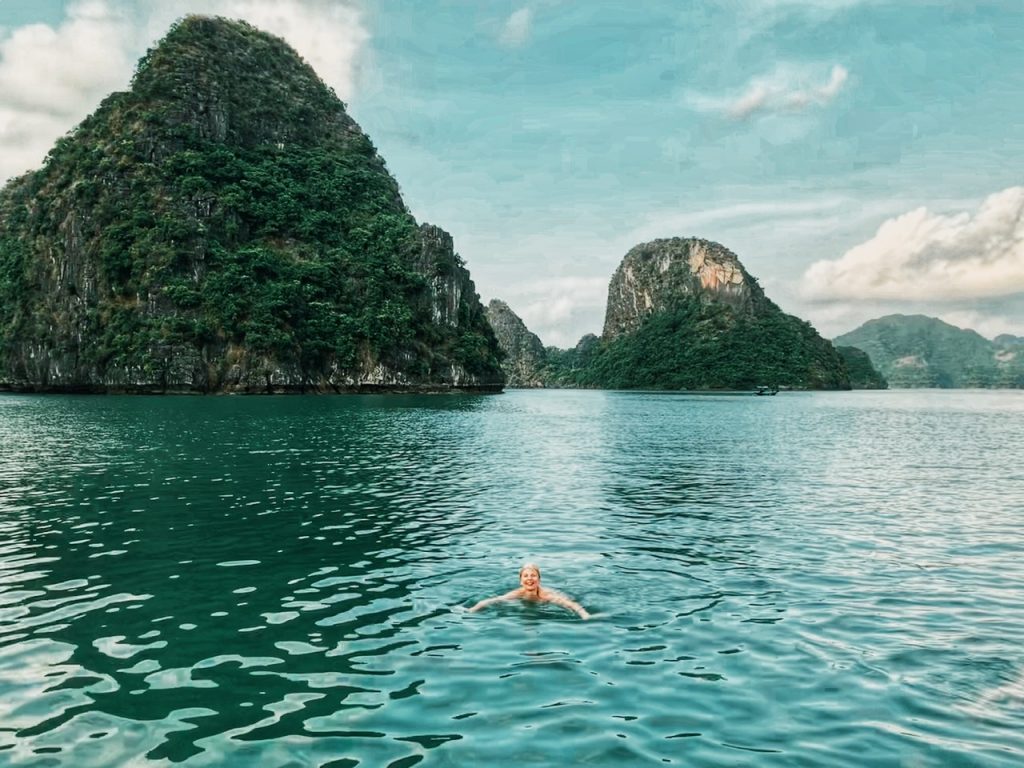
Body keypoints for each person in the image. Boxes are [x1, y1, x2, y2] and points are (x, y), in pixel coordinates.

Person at [469, 563, 591, 619]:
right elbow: (494, 600)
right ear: (521, 581)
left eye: (533, 575)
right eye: (526, 576)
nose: (529, 579)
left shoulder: (546, 595)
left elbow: (570, 604)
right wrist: (473, 610)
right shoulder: (517, 593)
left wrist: (584, 614)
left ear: (539, 579)